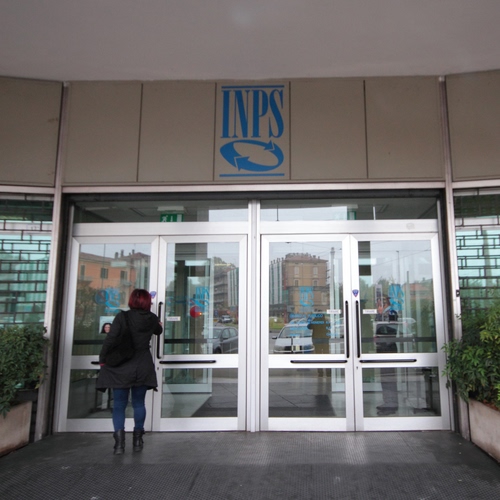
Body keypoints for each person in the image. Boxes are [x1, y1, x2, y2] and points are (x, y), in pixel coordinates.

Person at [96, 289, 162, 455]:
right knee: (139, 403)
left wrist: (102, 359)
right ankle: (138, 440)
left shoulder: (122, 317)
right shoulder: (152, 318)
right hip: (142, 364)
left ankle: (119, 444)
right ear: (147, 302)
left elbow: (110, 339)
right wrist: (159, 324)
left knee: (119, 404)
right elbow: (158, 331)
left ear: (132, 301)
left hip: (121, 365)